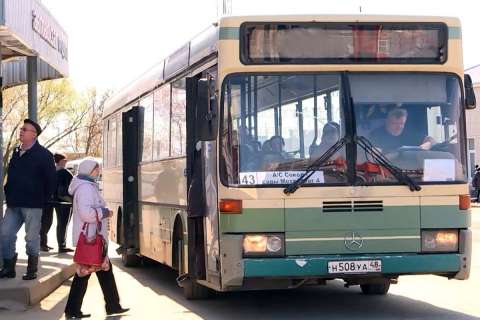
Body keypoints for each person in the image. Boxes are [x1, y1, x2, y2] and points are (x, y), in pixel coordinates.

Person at [64, 158, 129, 319]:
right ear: (88, 170)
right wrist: (104, 212)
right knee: (85, 273)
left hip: (93, 237)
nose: (98, 171)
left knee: (102, 270)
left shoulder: (86, 186)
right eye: (96, 169)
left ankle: (112, 305)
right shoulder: (86, 188)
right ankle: (73, 310)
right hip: (90, 238)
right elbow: (87, 214)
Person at [0, 119, 56, 280]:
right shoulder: (16, 152)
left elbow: (51, 180)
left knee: (31, 238)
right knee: (5, 234)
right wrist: (8, 191)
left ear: (34, 135)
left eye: (25, 129)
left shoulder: (44, 155)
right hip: (14, 204)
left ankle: (32, 269)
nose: (21, 131)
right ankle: (9, 268)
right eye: (21, 129)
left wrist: (44, 199)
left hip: (33, 205)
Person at [40, 153, 74, 253]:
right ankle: (61, 245)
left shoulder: (47, 172)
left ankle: (43, 244)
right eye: (65, 160)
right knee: (62, 223)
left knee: (46, 223)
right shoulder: (65, 172)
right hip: (63, 201)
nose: (66, 162)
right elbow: (71, 186)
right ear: (60, 161)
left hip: (47, 200)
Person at [369, 108, 433, 154]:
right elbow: (369, 151)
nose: (399, 127)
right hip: (386, 169)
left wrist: (428, 144)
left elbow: (430, 139)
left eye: (402, 123)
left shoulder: (410, 132)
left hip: (411, 169)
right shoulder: (376, 135)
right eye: (394, 123)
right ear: (387, 121)